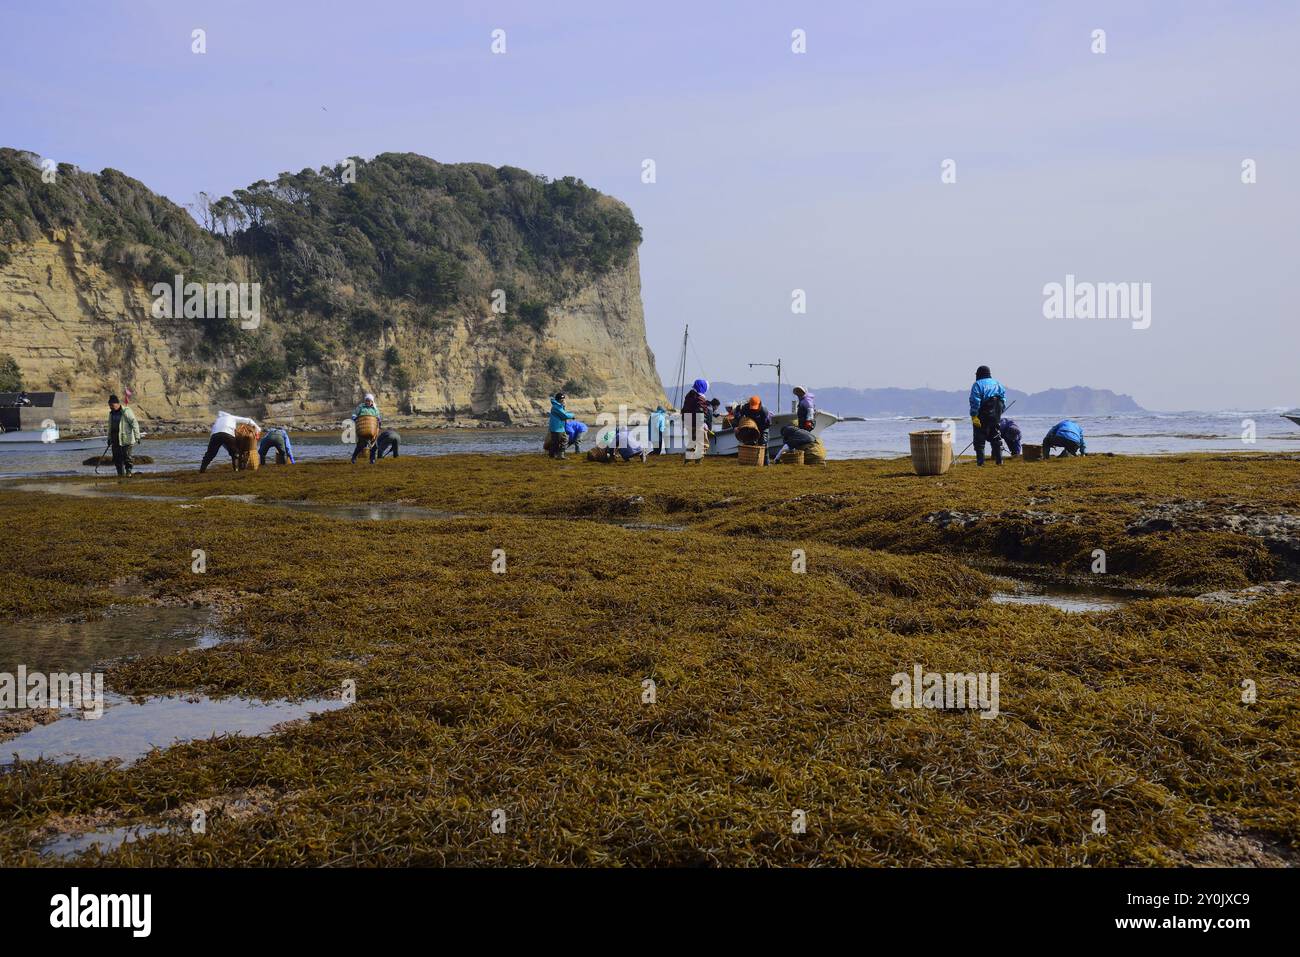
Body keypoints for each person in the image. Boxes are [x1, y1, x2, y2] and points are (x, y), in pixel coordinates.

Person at [968, 365, 1007, 466]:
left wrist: (974, 415)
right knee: (996, 436)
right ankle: (999, 461)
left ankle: (980, 462)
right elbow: (1003, 399)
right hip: (996, 414)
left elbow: (975, 401)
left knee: (979, 438)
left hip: (983, 413)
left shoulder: (977, 385)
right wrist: (1000, 411)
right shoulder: (997, 383)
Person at [107, 394, 140, 478]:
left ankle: (128, 472)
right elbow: (110, 427)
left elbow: (134, 423)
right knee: (116, 458)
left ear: (117, 404)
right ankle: (120, 473)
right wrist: (109, 438)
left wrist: (137, 436)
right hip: (115, 439)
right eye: (110, 405)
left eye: (112, 405)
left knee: (127, 457)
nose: (111, 407)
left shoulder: (126, 411)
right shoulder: (111, 413)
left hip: (126, 438)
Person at [350, 393, 382, 464]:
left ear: (372, 401)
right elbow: (354, 413)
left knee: (374, 445)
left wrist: (379, 421)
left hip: (373, 429)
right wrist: (354, 417)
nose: (368, 402)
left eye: (369, 401)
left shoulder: (375, 409)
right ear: (365, 401)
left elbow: (378, 417)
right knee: (361, 445)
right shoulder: (361, 407)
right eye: (367, 400)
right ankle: (354, 457)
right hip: (362, 427)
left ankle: (372, 459)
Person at [681, 378, 709, 455]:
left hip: (688, 422)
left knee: (692, 441)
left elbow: (684, 410)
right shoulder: (700, 398)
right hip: (697, 423)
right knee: (703, 442)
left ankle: (689, 457)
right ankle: (698, 458)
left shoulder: (689, 395)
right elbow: (700, 411)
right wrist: (703, 423)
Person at [545, 392, 574, 458]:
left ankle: (551, 455)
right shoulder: (557, 407)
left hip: (557, 427)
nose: (563, 400)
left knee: (555, 442)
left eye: (563, 399)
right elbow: (564, 415)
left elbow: (563, 414)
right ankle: (560, 455)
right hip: (558, 427)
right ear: (558, 400)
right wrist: (572, 415)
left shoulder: (557, 406)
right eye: (562, 399)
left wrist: (563, 407)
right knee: (564, 440)